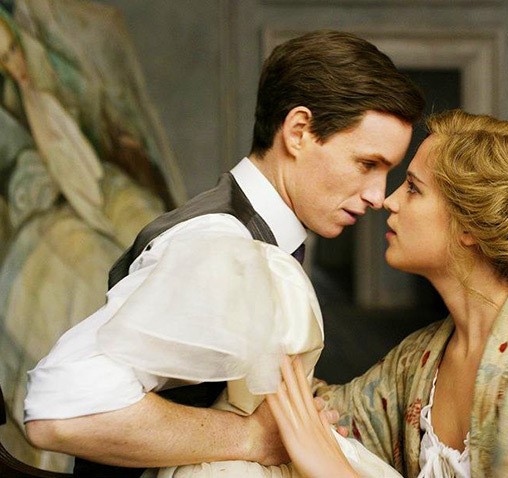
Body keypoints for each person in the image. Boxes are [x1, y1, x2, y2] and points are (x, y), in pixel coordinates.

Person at [22, 29, 425, 477]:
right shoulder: (222, 246)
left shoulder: (254, 241)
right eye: (367, 164)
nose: (377, 196)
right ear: (298, 132)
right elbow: (58, 411)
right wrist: (251, 437)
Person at [267, 109, 508, 477]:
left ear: (470, 226)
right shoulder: (421, 358)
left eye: (413, 188)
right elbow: (326, 414)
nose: (388, 201)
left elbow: (324, 456)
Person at [1, 3, 178, 469]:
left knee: (150, 237)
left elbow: (111, 127)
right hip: (41, 202)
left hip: (98, 183)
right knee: (83, 274)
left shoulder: (61, 45)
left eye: (14, 52)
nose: (13, 63)